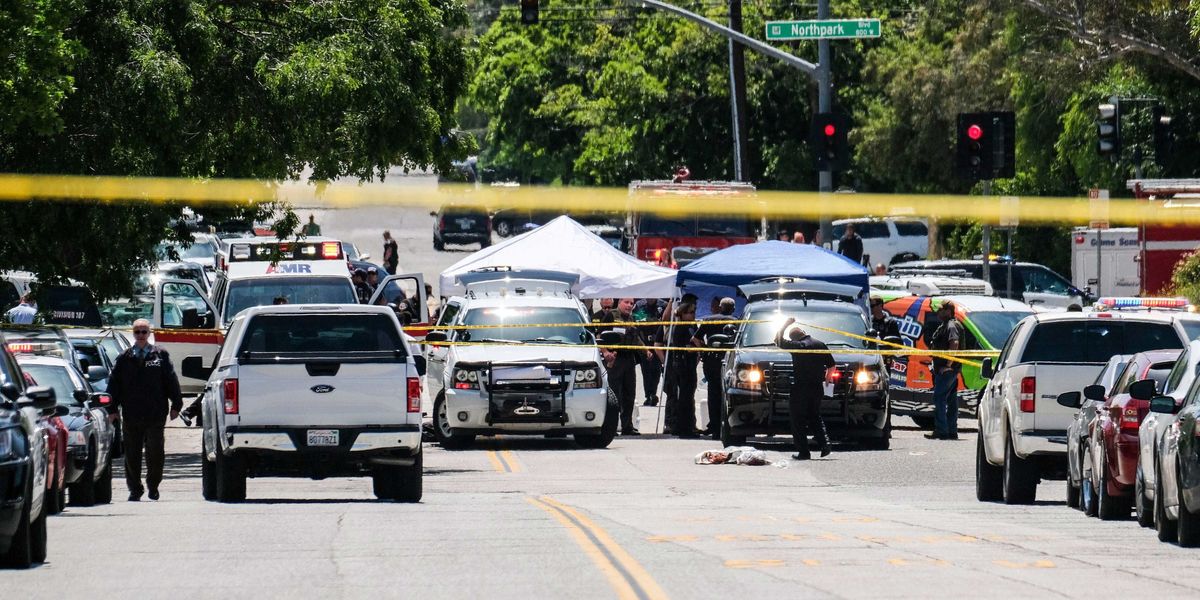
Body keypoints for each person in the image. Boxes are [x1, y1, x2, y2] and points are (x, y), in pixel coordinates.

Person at [106, 319, 183, 501]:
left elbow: (171, 381)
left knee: (155, 452)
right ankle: (135, 489)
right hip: (132, 413)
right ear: (133, 334)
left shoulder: (160, 355)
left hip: (155, 413)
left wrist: (176, 405)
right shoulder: (124, 358)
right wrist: (112, 409)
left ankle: (153, 486)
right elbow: (114, 385)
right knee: (132, 454)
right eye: (137, 332)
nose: (140, 336)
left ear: (149, 334)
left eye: (144, 332)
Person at [775, 318, 834, 460]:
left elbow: (777, 340)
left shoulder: (797, 346)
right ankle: (825, 444)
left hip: (800, 388)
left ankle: (804, 452)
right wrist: (827, 379)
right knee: (815, 416)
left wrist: (785, 324)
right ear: (804, 332)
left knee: (798, 419)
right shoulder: (820, 344)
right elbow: (832, 365)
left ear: (793, 338)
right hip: (817, 388)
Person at [599, 298, 645, 435]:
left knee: (629, 394)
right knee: (614, 394)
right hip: (615, 358)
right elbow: (599, 336)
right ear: (619, 303)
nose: (629, 305)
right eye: (627, 302)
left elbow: (636, 339)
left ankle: (627, 426)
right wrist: (606, 352)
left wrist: (646, 351)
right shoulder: (611, 316)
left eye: (632, 303)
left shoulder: (631, 318)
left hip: (629, 359)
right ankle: (610, 427)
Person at [695, 297, 735, 439]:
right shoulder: (737, 321)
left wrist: (704, 350)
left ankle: (714, 427)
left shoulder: (709, 320)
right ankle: (727, 425)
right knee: (729, 393)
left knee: (713, 394)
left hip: (711, 360)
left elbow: (695, 338)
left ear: (719, 306)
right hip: (729, 360)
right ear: (733, 308)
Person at [659, 302, 700, 437]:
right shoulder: (680, 327)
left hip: (690, 364)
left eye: (694, 312)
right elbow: (682, 346)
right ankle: (683, 428)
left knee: (689, 397)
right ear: (682, 314)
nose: (693, 315)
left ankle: (688, 426)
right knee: (683, 397)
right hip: (682, 364)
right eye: (690, 312)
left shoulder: (691, 326)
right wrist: (695, 347)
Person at [926, 301, 963, 440]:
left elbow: (954, 343)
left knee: (939, 398)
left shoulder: (951, 325)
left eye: (941, 309)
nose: (938, 312)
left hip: (947, 371)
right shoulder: (949, 325)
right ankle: (952, 430)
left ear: (948, 311)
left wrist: (948, 364)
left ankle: (941, 430)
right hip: (951, 370)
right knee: (951, 399)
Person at [635, 299, 664, 407]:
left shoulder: (662, 305)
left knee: (656, 370)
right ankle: (649, 395)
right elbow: (638, 325)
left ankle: (653, 393)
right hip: (644, 343)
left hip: (658, 344)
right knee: (646, 371)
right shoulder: (640, 306)